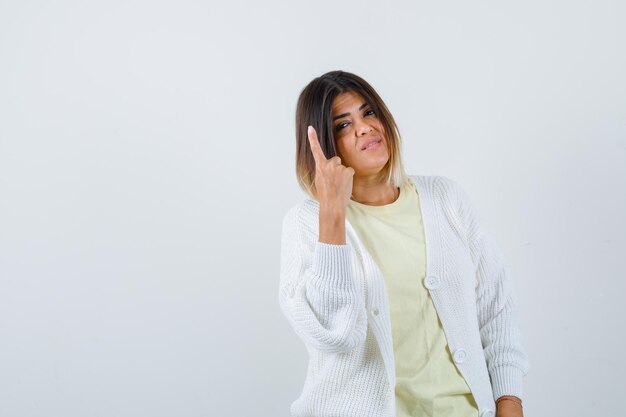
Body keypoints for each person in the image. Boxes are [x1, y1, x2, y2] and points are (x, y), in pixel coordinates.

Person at [278, 70, 529, 417]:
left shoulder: (446, 198)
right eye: (343, 125)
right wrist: (331, 213)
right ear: (324, 145)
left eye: (368, 113)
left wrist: (509, 399)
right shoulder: (306, 224)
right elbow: (334, 337)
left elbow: (496, 304)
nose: (364, 128)